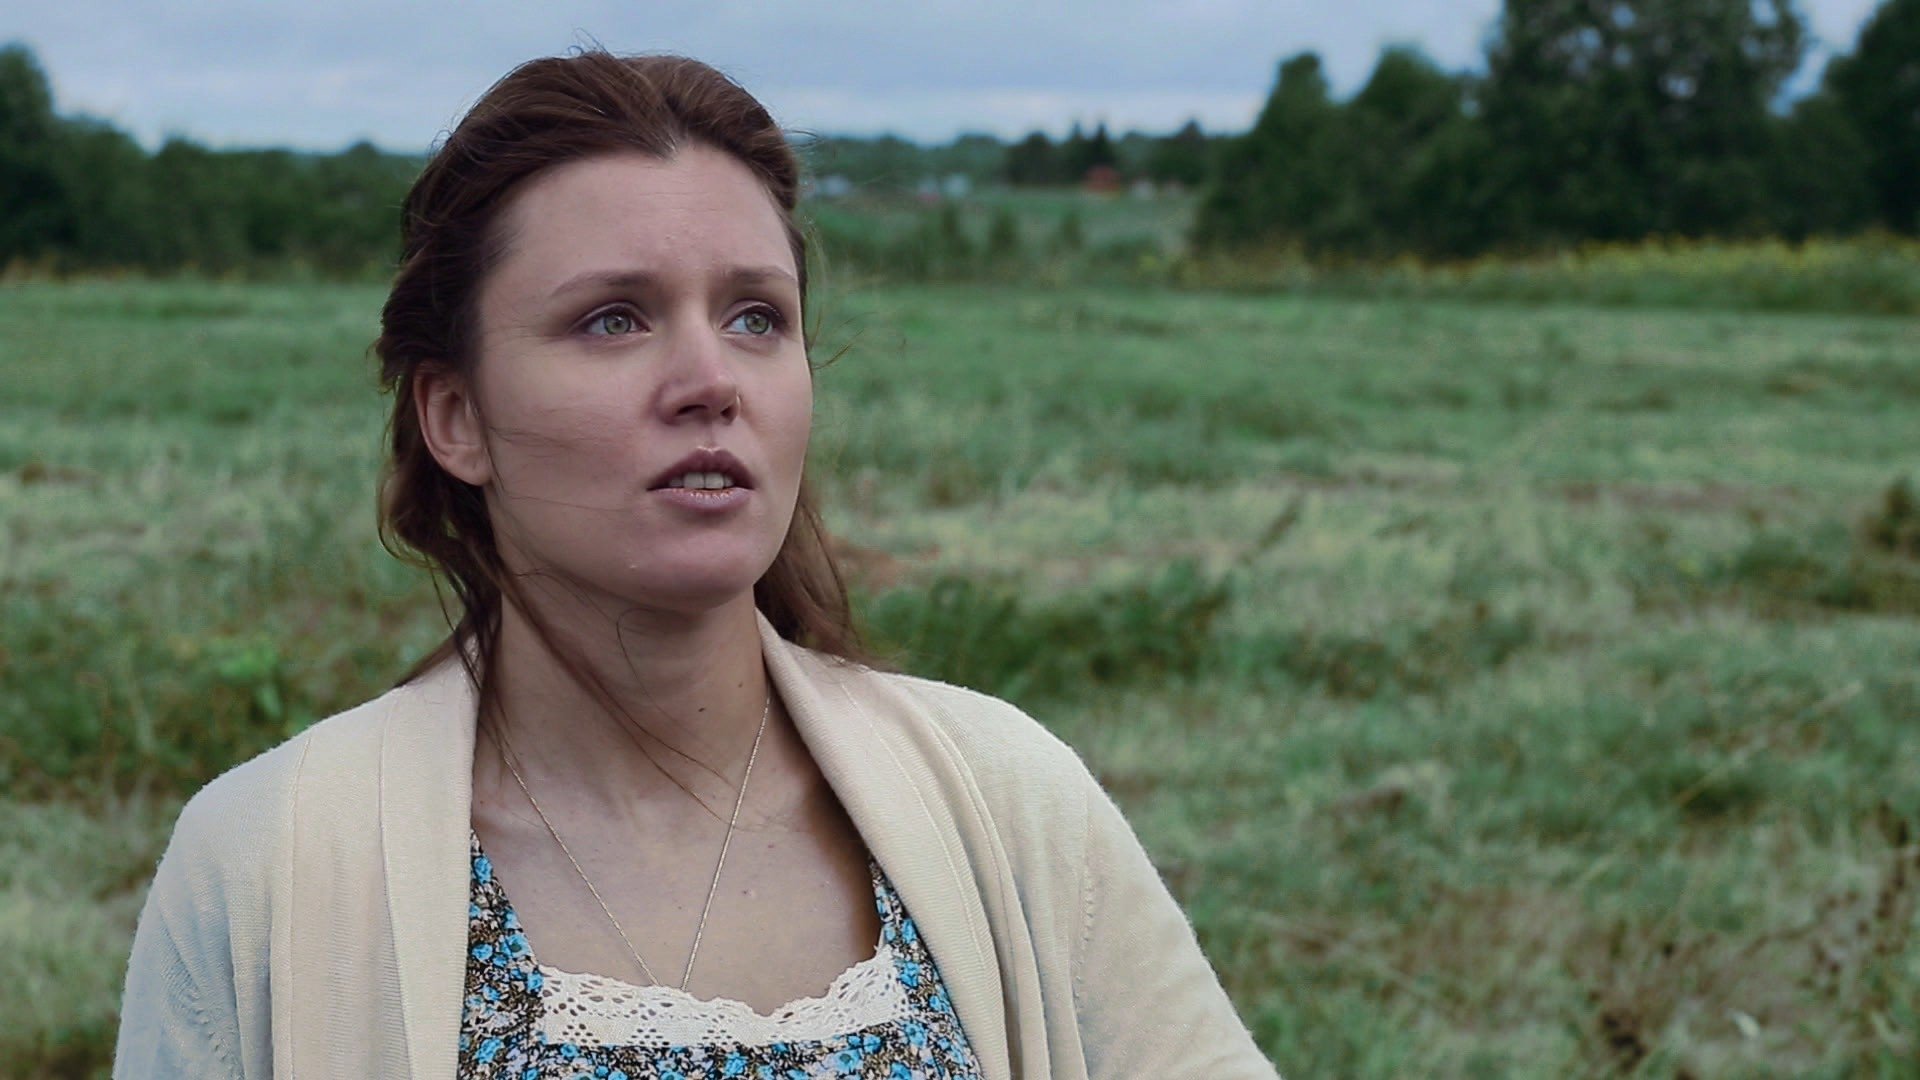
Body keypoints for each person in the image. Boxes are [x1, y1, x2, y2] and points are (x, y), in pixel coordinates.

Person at [114, 51, 1278, 1079]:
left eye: (756, 317)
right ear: (456, 418)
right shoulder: (269, 867)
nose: (710, 380)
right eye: (613, 319)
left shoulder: (1009, 804)